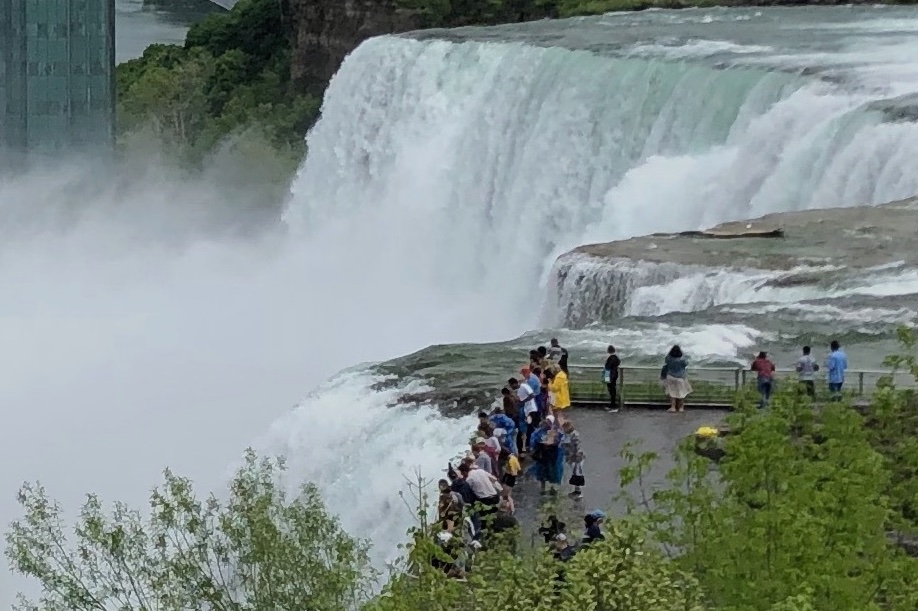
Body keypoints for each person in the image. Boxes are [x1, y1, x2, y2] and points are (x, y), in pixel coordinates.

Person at [528, 416, 565, 494]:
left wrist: (554, 443)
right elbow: (533, 442)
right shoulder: (538, 432)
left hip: (553, 455)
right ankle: (543, 487)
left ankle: (553, 487)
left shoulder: (557, 432)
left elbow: (561, 443)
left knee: (553, 471)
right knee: (542, 471)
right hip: (543, 455)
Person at [508, 377, 537, 451]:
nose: (511, 387)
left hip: (531, 409)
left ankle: (531, 444)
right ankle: (528, 444)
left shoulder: (524, 386)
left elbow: (532, 395)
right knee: (527, 427)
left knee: (530, 427)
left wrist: (524, 401)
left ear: (514, 383)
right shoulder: (518, 391)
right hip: (525, 410)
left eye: (511, 385)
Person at [663, 345, 692, 413]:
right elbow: (686, 364)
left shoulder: (669, 358)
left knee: (672, 392)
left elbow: (666, 362)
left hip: (670, 376)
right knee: (682, 393)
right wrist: (683, 354)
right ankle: (681, 408)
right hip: (680, 377)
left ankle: (673, 407)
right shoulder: (682, 359)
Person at [561, 420, 585, 499]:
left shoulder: (574, 435)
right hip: (572, 457)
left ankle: (578, 492)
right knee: (575, 473)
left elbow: (576, 447)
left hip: (577, 458)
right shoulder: (567, 435)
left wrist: (574, 456)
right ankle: (576, 490)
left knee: (577, 474)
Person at [603, 345, 621, 413]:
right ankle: (612, 404)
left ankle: (613, 406)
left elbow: (607, 368)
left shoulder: (611, 358)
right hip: (614, 375)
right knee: (613, 390)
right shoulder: (616, 358)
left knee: (611, 390)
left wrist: (606, 378)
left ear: (608, 351)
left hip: (610, 376)